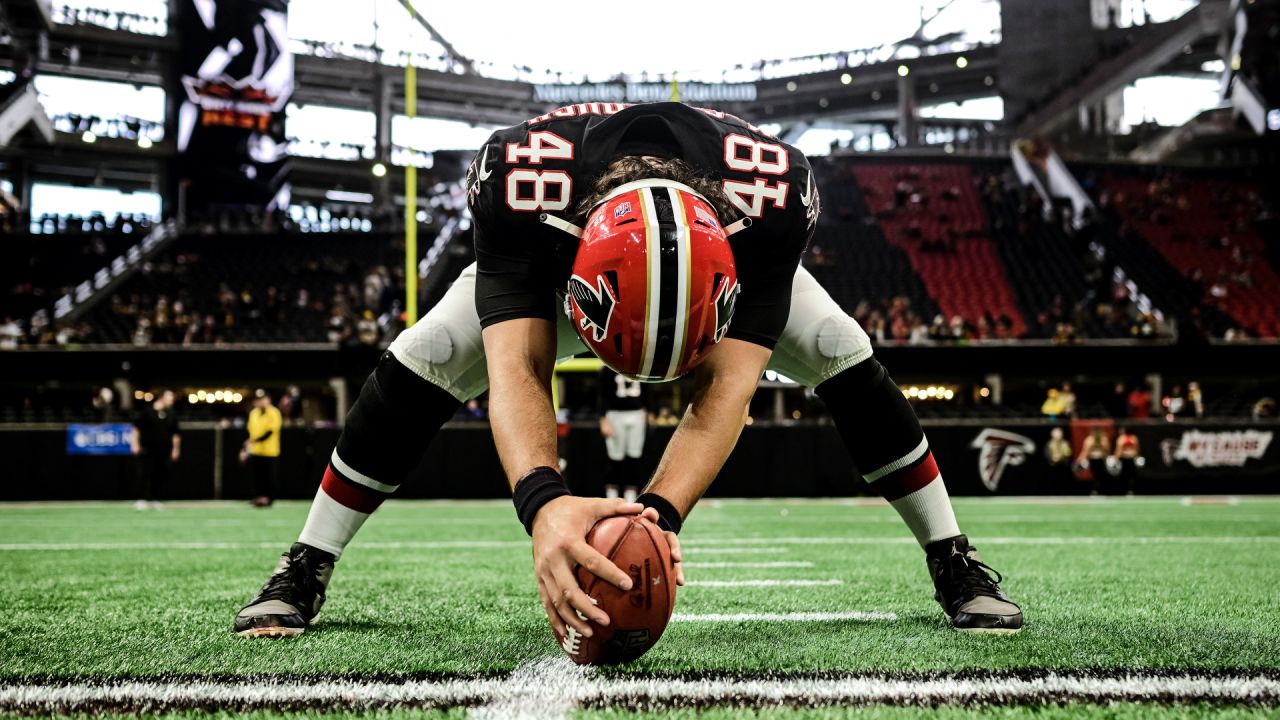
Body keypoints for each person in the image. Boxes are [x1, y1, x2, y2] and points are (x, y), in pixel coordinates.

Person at [234, 102, 1022, 639]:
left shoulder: (773, 198)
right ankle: (306, 560)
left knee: (843, 353)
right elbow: (521, 367)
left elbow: (727, 388)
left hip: (718, 261)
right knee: (427, 358)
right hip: (557, 259)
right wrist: (543, 506)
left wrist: (657, 520)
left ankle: (951, 554)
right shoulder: (521, 183)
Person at [598, 366, 648, 502]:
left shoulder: (641, 366)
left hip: (637, 413)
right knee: (615, 458)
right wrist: (603, 419)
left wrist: (649, 411)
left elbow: (646, 391)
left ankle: (631, 498)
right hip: (615, 414)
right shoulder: (607, 370)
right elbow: (603, 394)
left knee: (634, 457)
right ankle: (612, 498)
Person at [131, 389, 180, 510]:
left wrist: (175, 449)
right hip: (147, 449)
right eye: (169, 397)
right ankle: (141, 499)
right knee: (144, 473)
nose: (171, 400)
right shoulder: (147, 412)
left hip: (163, 450)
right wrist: (135, 444)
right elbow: (136, 429)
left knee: (160, 475)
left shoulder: (171, 414)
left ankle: (155, 499)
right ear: (162, 397)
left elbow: (176, 434)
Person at [242, 389, 283, 507]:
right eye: (258, 400)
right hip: (256, 451)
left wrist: (253, 441)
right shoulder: (253, 413)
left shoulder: (274, 413)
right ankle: (258, 497)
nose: (261, 402)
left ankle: (269, 499)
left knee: (269, 476)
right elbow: (250, 433)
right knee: (257, 476)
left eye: (263, 399)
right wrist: (246, 448)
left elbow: (270, 432)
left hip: (270, 451)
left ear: (268, 400)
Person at [1078, 426, 1111, 496]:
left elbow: (1107, 450)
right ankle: (1094, 490)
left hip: (1101, 460)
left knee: (1100, 475)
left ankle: (1099, 490)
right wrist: (1080, 459)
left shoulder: (1103, 439)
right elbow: (1085, 451)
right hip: (1093, 460)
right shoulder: (1090, 439)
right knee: (1094, 475)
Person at [1112, 426, 1141, 496]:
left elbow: (1119, 450)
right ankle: (1129, 490)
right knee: (1130, 475)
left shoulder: (1121, 439)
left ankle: (1126, 490)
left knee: (1125, 475)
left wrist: (1115, 458)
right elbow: (1137, 450)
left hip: (1125, 459)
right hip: (1129, 458)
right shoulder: (1134, 438)